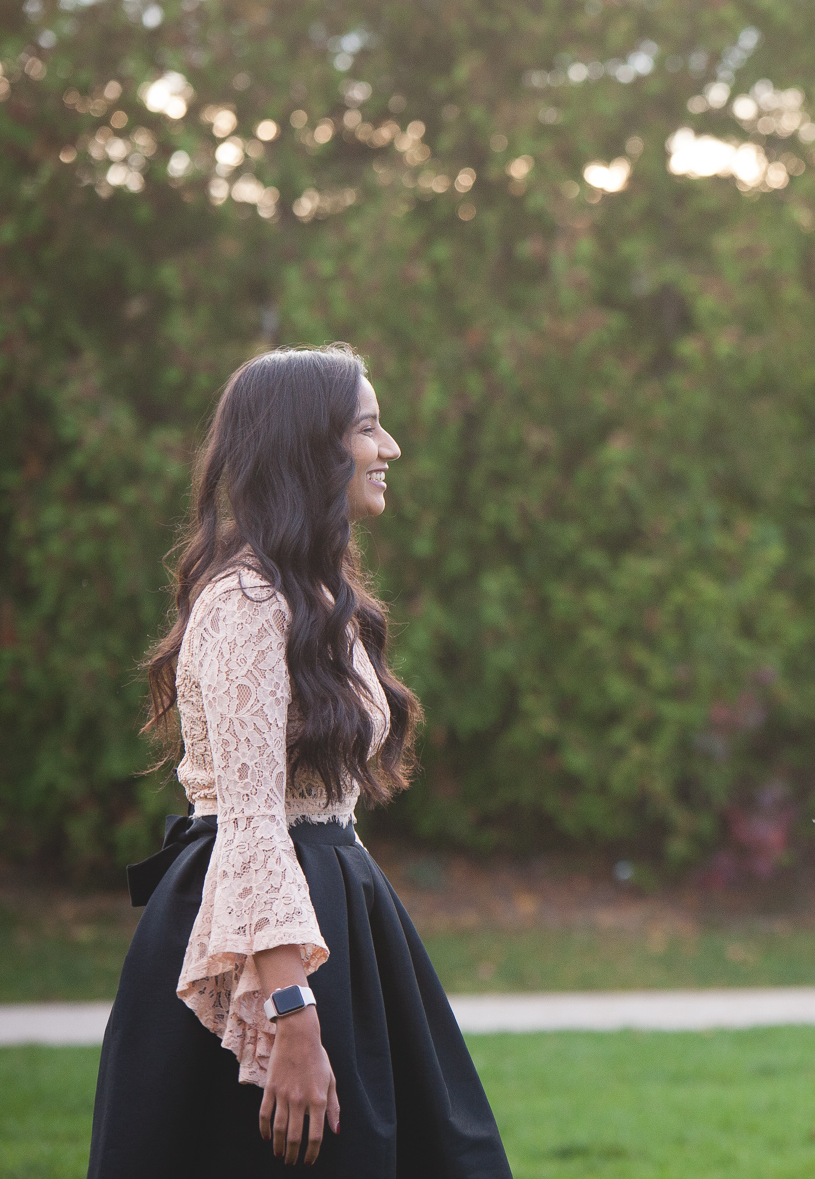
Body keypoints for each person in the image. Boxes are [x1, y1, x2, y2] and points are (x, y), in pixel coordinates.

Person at [89, 344, 512, 1177]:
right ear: (309, 449)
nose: (387, 449)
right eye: (367, 428)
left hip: (340, 912)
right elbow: (251, 827)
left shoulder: (316, 598)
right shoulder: (246, 606)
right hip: (268, 938)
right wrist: (290, 1013)